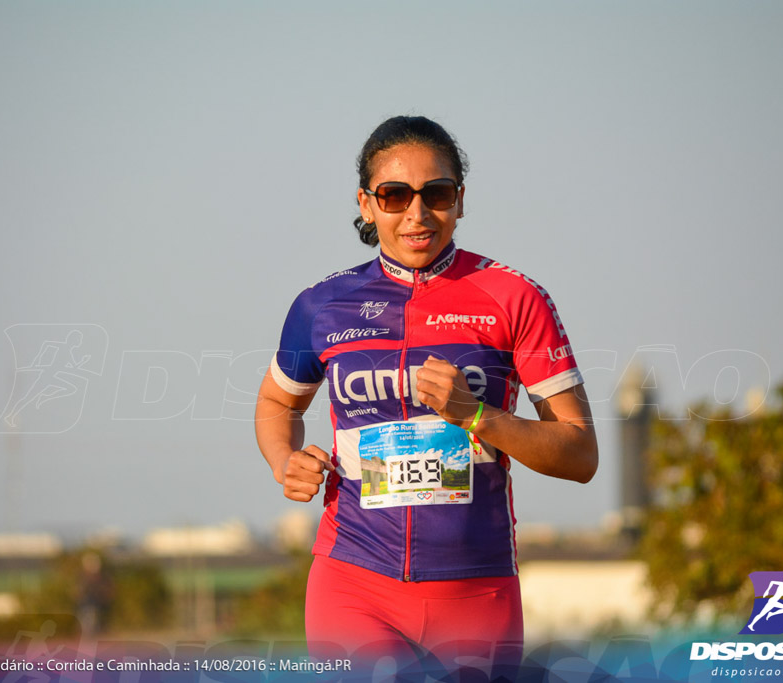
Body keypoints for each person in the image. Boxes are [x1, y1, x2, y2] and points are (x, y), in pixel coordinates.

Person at [254, 115, 598, 679]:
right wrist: (282, 460)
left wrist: (477, 414)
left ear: (459, 200)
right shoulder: (321, 306)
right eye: (394, 196)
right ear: (367, 205)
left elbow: (580, 455)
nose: (417, 213)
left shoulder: (516, 298)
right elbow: (277, 405)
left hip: (476, 590)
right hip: (353, 580)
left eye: (435, 194)